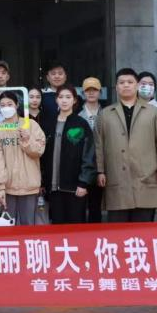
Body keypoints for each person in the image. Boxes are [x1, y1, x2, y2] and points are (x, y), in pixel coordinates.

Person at [95, 68, 157, 223]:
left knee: (143, 228)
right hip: (116, 177)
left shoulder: (153, 112)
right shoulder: (105, 114)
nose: (126, 85)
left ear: (137, 85)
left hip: (146, 176)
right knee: (118, 228)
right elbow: (99, 144)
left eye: (130, 82)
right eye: (121, 82)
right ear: (116, 87)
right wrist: (100, 171)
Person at [39, 86, 96, 224]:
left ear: (74, 100)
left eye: (68, 97)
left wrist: (83, 182)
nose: (64, 100)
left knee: (76, 226)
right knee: (57, 225)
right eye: (61, 97)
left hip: (75, 187)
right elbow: (42, 155)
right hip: (53, 186)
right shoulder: (48, 123)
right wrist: (42, 181)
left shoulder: (80, 123)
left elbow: (89, 154)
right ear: (56, 100)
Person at [0, 91, 46, 225]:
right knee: (8, 228)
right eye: (2, 105)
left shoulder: (31, 125)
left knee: (28, 227)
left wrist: (27, 140)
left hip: (29, 187)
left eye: (10, 104)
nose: (6, 108)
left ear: (17, 105)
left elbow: (39, 151)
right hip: (8, 188)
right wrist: (1, 188)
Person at [78, 77, 105, 224]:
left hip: (102, 165)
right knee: (80, 206)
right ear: (83, 93)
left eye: (94, 90)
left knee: (97, 206)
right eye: (88, 90)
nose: (91, 93)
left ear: (100, 92)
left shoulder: (107, 113)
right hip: (82, 167)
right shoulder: (77, 114)